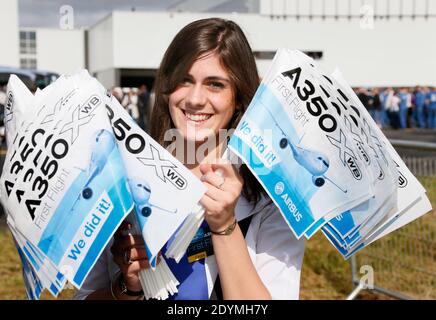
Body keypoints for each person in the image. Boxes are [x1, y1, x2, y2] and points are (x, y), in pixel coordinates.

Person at [74, 17, 305, 300]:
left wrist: (224, 226)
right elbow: (85, 296)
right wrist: (127, 288)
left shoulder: (270, 199)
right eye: (184, 80)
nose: (195, 99)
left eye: (215, 84)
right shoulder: (121, 179)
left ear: (239, 97)